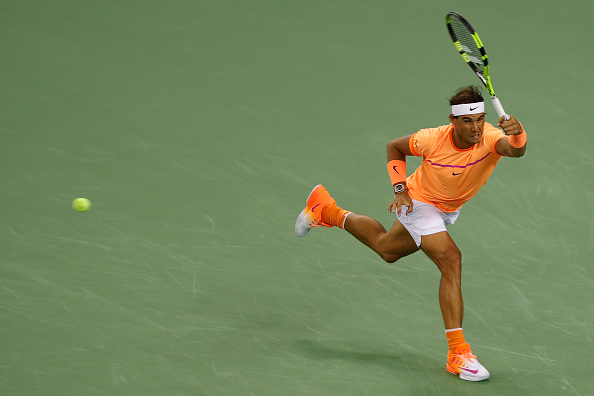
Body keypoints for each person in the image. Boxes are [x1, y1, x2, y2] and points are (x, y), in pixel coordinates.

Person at [294, 85, 527, 382]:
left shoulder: (492, 137)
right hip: (419, 201)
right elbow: (395, 147)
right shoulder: (431, 138)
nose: (476, 127)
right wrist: (400, 189)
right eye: (468, 121)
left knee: (387, 250)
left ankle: (325, 211)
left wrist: (517, 132)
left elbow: (515, 150)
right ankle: (459, 354)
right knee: (451, 259)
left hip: (446, 207)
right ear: (453, 121)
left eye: (480, 119)